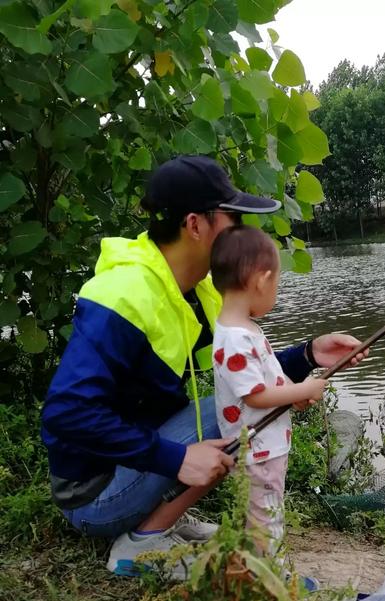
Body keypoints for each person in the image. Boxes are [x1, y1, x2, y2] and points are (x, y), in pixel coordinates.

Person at [41, 155, 367, 577]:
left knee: (231, 405)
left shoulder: (198, 291)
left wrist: (308, 355)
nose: (244, 234)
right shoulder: (124, 295)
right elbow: (66, 412)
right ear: (195, 225)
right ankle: (139, 545)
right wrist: (174, 458)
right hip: (94, 494)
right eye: (234, 220)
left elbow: (239, 370)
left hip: (131, 467)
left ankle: (157, 522)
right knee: (236, 414)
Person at [211, 225, 327, 559]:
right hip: (257, 451)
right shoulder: (236, 338)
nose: (275, 290)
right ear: (262, 281)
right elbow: (255, 395)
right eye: (276, 282)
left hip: (265, 447)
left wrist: (295, 392)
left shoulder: (245, 329)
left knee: (263, 513)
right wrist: (301, 389)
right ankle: (268, 577)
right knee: (266, 518)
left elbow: (270, 377)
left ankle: (255, 568)